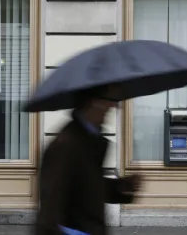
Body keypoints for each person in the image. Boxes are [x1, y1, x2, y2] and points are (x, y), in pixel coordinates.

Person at [36, 85, 143, 235]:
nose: (114, 106)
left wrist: (122, 187)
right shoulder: (65, 145)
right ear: (93, 101)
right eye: (110, 100)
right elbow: (48, 216)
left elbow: (88, 189)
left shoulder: (90, 140)